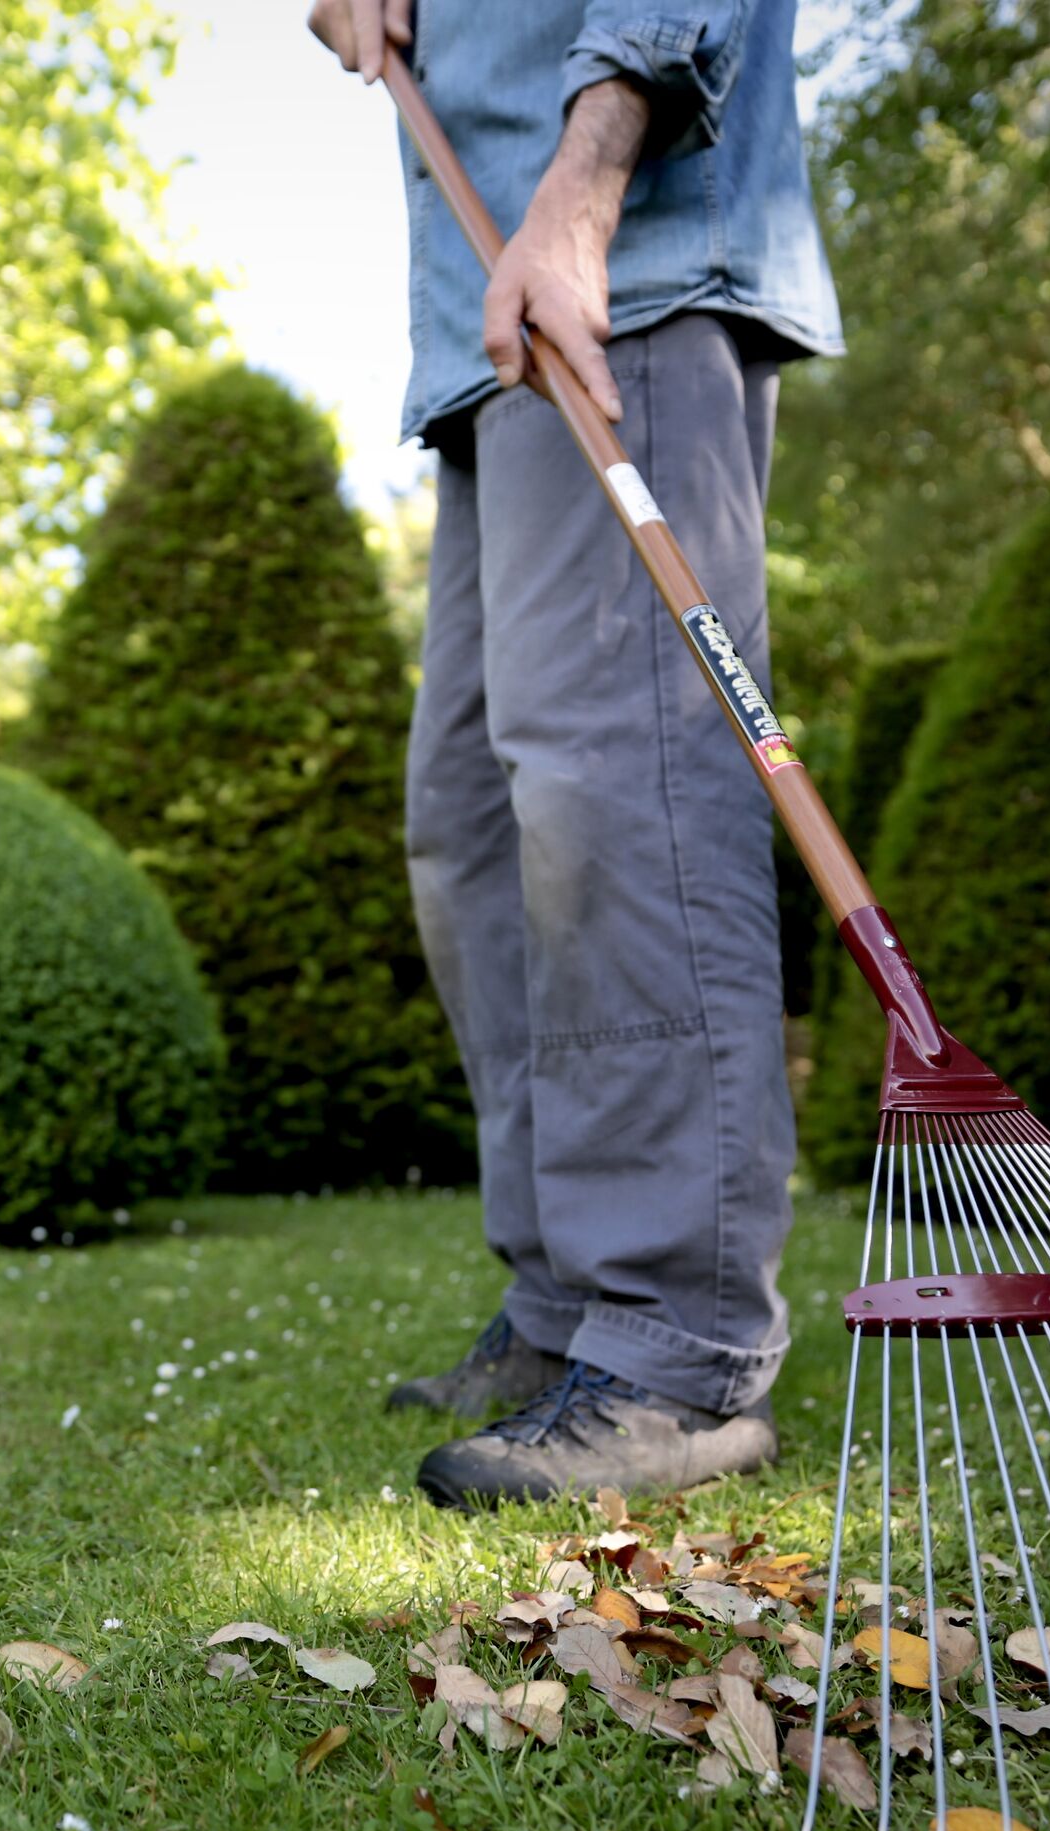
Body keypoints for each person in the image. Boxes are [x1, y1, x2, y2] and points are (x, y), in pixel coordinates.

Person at [304, 0, 843, 1507]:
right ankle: (565, 1312)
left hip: (625, 266)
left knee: (626, 783)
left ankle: (677, 1345)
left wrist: (585, 188)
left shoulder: (604, 214)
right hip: (482, 326)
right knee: (474, 833)